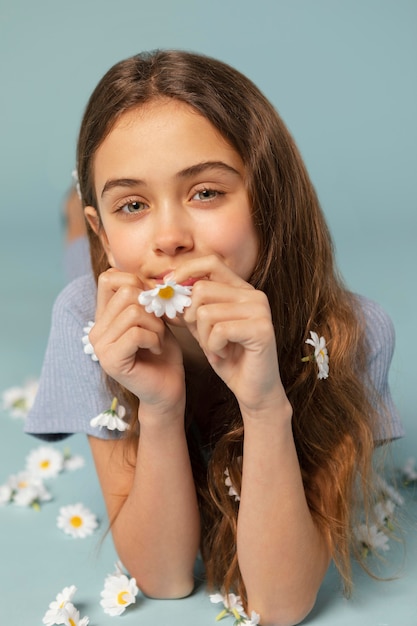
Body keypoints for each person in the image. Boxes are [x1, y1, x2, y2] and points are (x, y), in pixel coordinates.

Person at [25, 50, 403, 626]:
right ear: (108, 225)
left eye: (205, 192)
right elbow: (164, 578)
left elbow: (279, 605)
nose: (171, 236)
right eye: (132, 203)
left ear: (267, 197)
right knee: (80, 264)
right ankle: (76, 221)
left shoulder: (351, 334)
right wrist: (157, 406)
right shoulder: (85, 317)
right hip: (103, 270)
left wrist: (265, 405)